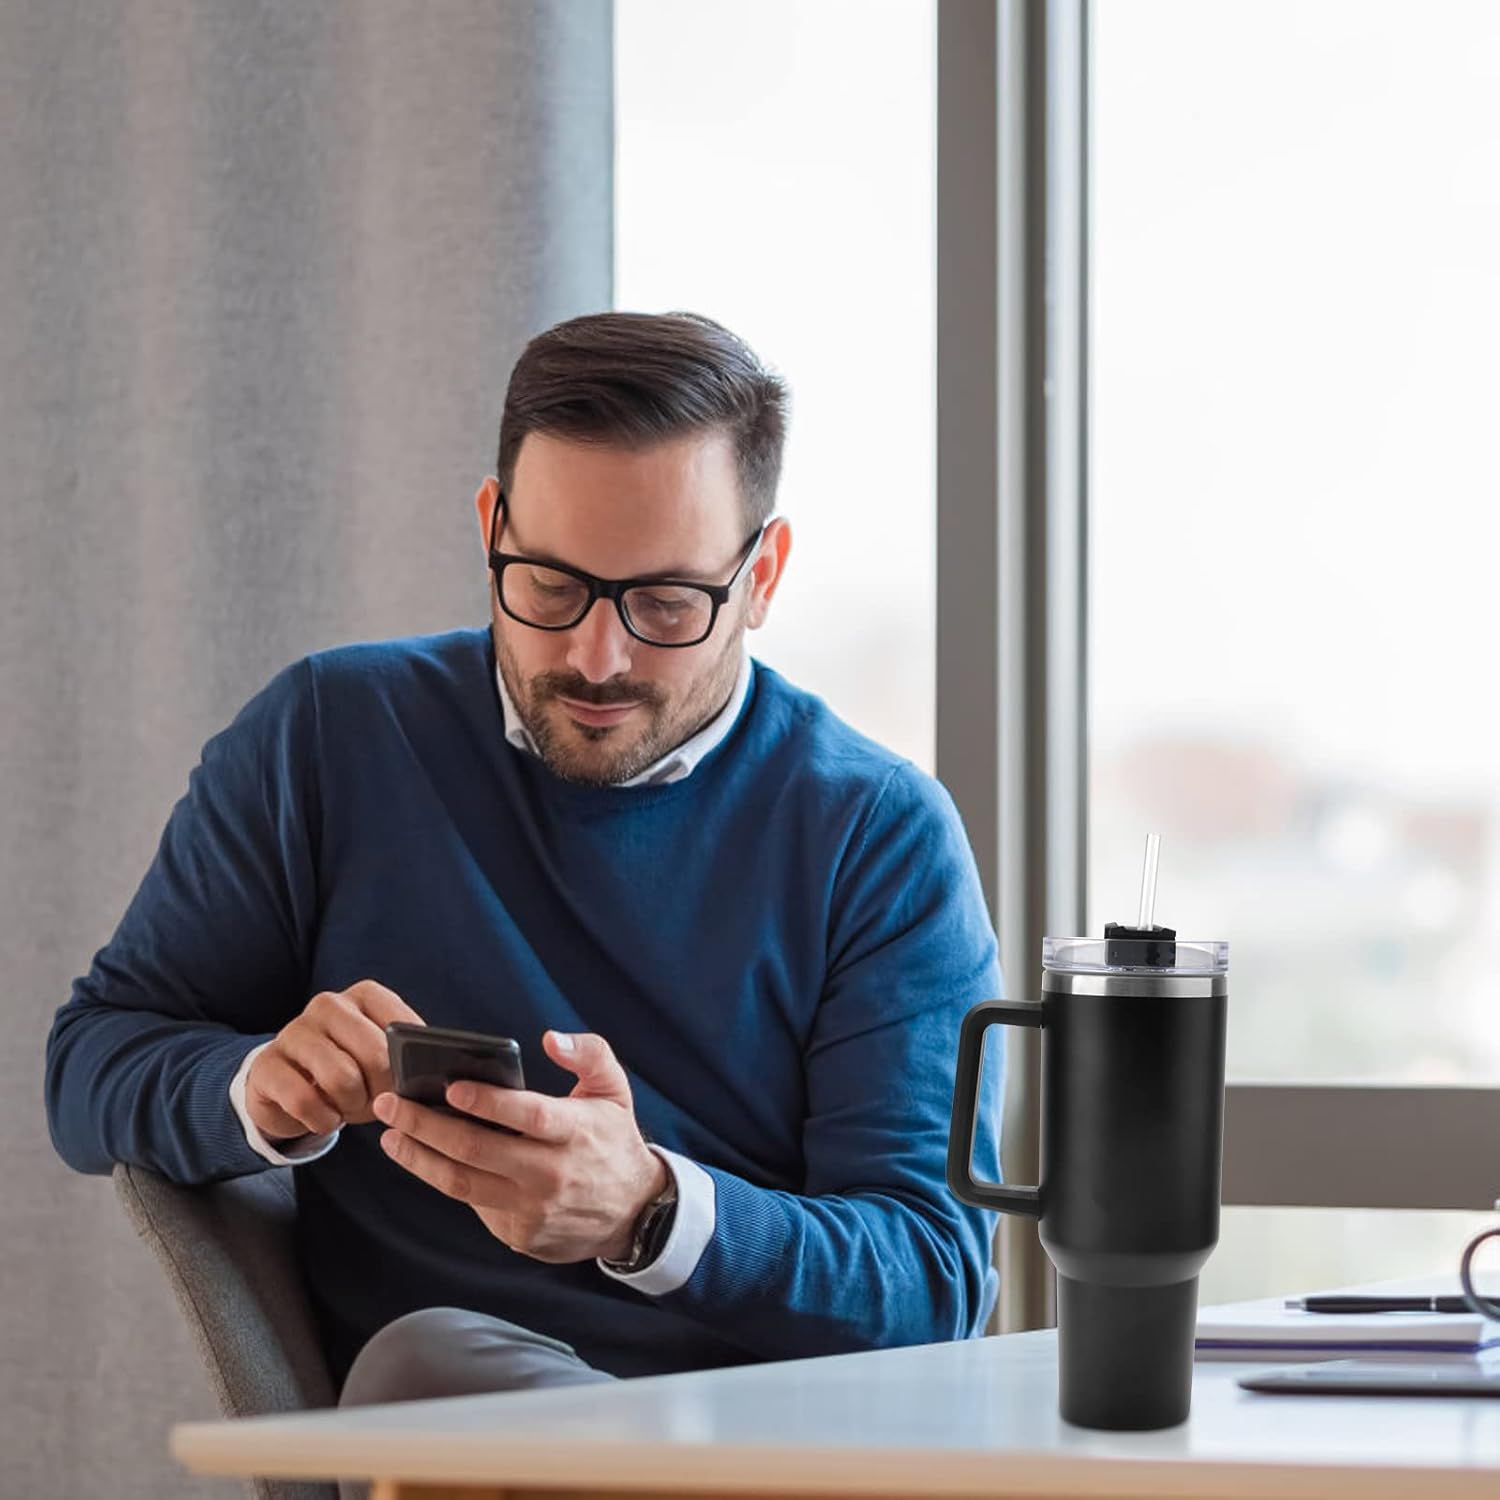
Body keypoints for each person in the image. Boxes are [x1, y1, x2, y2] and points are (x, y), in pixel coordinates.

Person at [44, 311, 1004, 1417]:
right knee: (434, 1365)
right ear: (491, 526)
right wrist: (257, 1086)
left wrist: (649, 1210)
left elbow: (933, 1280)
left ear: (763, 576)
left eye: (665, 603)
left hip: (761, 1448)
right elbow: (90, 1064)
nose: (597, 657)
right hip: (453, 1423)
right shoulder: (330, 741)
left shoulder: (878, 835)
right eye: (550, 584)